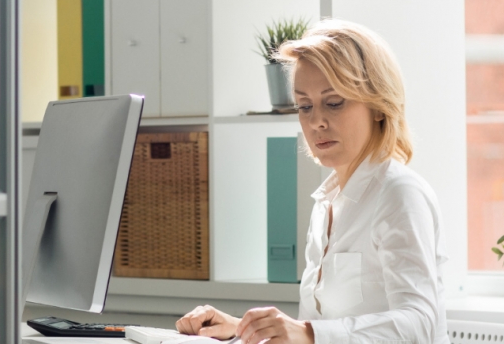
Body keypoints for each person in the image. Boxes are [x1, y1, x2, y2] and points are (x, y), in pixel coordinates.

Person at [176, 19, 449, 344]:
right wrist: (244, 329)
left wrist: (306, 333)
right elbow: (321, 330)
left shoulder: (399, 194)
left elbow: (420, 323)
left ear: (378, 106)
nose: (316, 121)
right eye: (304, 106)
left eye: (334, 103)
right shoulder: (327, 202)